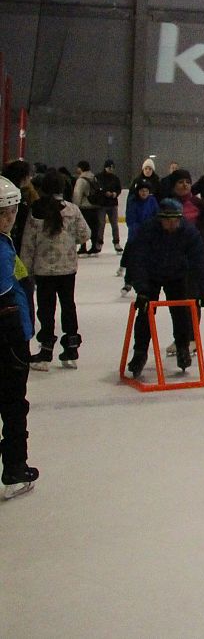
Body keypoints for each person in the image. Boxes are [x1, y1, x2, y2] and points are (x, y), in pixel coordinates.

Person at [123, 199, 204, 379]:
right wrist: (142, 289)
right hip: (151, 275)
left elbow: (199, 261)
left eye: (175, 220)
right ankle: (140, 352)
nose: (172, 224)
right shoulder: (148, 230)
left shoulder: (188, 232)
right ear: (160, 219)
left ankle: (182, 348)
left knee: (181, 312)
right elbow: (138, 260)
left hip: (177, 274)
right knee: (145, 312)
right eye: (168, 220)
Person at [21, 172, 90, 371]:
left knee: (46, 309)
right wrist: (69, 242)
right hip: (67, 269)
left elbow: (28, 244)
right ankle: (71, 349)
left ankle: (45, 351)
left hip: (43, 271)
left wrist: (25, 271)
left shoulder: (36, 210)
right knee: (68, 306)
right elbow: (85, 234)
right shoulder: (72, 210)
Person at [0, 176, 40, 498]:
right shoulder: (1, 250)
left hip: (15, 334)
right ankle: (14, 469)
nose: (9, 219)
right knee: (14, 405)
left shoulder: (6, 244)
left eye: (12, 212)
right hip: (9, 341)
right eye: (3, 213)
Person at [120, 179, 159, 292]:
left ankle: (148, 281)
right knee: (133, 259)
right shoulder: (133, 201)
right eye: (142, 190)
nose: (144, 193)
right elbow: (130, 219)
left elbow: (157, 216)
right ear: (138, 191)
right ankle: (128, 282)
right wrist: (140, 231)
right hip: (136, 236)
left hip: (150, 236)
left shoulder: (152, 200)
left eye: (146, 191)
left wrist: (153, 229)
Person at [70, 161, 104, 256]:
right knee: (94, 227)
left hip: (85, 207)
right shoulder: (94, 177)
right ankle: (94, 246)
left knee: (83, 227)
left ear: (81, 168)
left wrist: (75, 206)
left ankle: (83, 246)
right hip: (95, 206)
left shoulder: (81, 180)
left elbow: (77, 194)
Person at [96, 160, 124, 255]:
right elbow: (97, 188)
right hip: (102, 204)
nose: (111, 169)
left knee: (114, 224)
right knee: (101, 224)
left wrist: (115, 193)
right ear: (105, 167)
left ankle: (116, 242)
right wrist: (104, 193)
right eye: (109, 167)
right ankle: (99, 242)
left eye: (112, 168)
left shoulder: (115, 178)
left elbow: (119, 189)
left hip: (113, 204)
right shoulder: (99, 177)